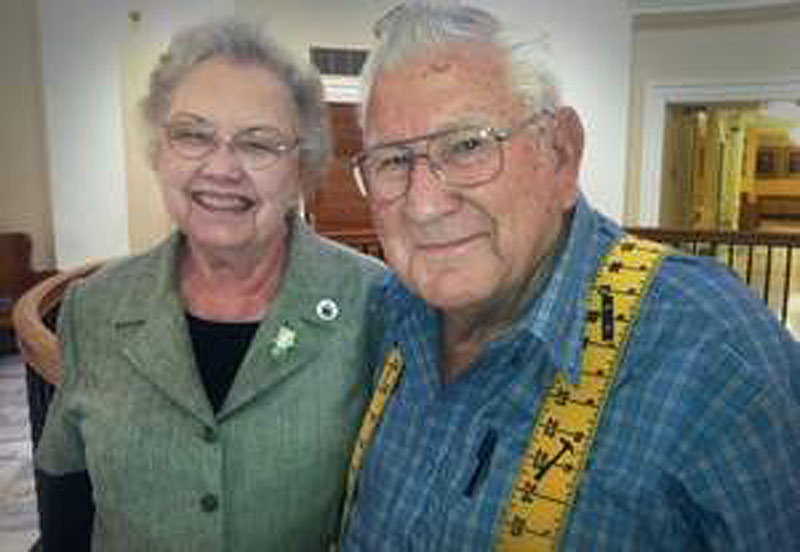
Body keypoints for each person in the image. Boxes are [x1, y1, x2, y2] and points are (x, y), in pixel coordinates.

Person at [339, 3, 800, 550]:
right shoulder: (385, 311)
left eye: (467, 145)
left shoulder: (713, 350)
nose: (423, 205)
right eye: (392, 161)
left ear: (560, 153)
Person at [34, 19, 383, 551]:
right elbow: (67, 493)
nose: (221, 168)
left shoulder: (372, 303)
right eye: (193, 135)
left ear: (303, 168)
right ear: (160, 149)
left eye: (259, 144)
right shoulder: (95, 307)